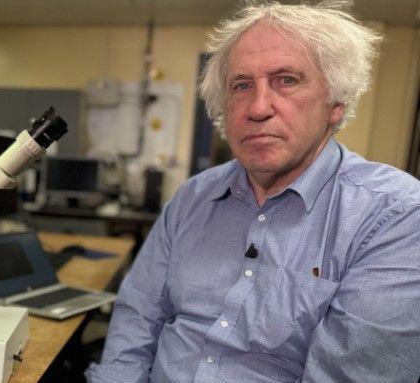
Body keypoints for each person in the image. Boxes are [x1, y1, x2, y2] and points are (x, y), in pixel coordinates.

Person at [86, 1, 420, 382]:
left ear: (335, 104)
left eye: (287, 80)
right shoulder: (192, 199)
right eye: (242, 86)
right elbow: (137, 318)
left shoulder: (397, 217)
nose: (258, 107)